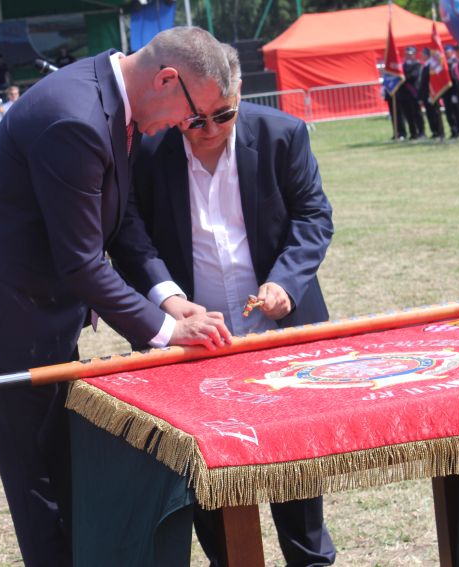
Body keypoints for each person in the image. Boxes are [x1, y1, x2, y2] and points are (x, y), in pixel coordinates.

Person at [0, 26, 235, 567]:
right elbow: (82, 262)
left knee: (69, 468)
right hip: (6, 317)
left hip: (45, 309)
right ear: (167, 79)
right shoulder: (74, 119)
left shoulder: (118, 105)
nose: (185, 127)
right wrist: (169, 333)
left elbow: (121, 221)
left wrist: (169, 298)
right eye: (192, 113)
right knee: (40, 483)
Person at [129, 42, 336, 567]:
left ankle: (310, 559)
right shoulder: (148, 151)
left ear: (239, 92)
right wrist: (171, 300)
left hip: (281, 334)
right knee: (209, 473)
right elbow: (131, 237)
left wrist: (286, 282)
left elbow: (313, 217)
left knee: (295, 465)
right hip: (195, 345)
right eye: (195, 119)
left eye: (223, 114)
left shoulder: (282, 134)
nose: (210, 129)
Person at [417, 48, 445, 139]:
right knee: (429, 114)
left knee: (436, 113)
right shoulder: (425, 65)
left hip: (432, 93)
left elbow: (433, 80)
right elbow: (422, 83)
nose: (422, 56)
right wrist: (421, 96)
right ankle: (434, 132)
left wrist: (431, 93)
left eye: (423, 54)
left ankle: (440, 132)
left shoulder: (432, 65)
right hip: (425, 94)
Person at [398, 46, 425, 139]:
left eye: (410, 54)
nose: (408, 56)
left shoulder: (417, 65)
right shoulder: (402, 66)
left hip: (414, 93)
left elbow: (414, 76)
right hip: (404, 94)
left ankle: (421, 132)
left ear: (414, 55)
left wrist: (403, 77)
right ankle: (413, 133)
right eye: (407, 54)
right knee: (408, 115)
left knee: (417, 114)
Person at [442, 44, 459, 139]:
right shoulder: (443, 63)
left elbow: (456, 80)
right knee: (449, 113)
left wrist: (455, 93)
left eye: (448, 52)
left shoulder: (456, 62)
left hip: (455, 91)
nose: (446, 54)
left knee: (458, 113)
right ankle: (454, 131)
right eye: (445, 53)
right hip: (446, 92)